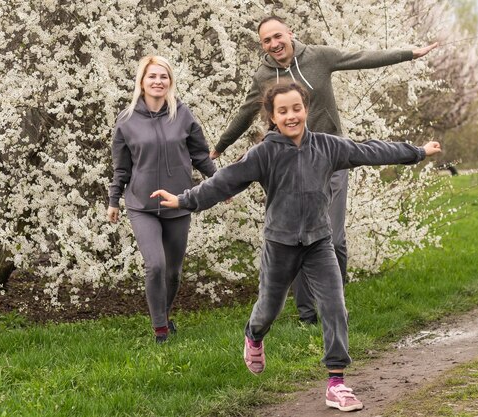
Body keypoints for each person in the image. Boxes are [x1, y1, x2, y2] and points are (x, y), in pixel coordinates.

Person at [152, 83, 441, 411]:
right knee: (268, 310)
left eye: (296, 109)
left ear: (306, 109)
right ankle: (254, 335)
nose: (291, 116)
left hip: (319, 242)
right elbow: (224, 181)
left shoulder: (328, 147)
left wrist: (417, 152)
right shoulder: (265, 153)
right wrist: (183, 200)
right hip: (280, 245)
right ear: (273, 117)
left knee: (334, 307)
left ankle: (336, 382)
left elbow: (371, 151)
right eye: (283, 111)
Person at [210, 15, 439, 324]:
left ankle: (334, 303)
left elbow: (362, 58)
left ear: (289, 34)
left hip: (329, 157)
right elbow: (247, 111)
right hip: (287, 165)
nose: (274, 44)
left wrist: (408, 53)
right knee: (299, 239)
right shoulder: (264, 75)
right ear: (262, 45)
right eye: (267, 40)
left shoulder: (319, 56)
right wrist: (220, 146)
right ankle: (307, 315)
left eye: (278, 36)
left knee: (334, 239)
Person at [107, 55, 216, 344]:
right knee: (155, 265)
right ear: (142, 82)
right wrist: (114, 200)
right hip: (141, 205)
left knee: (174, 273)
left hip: (178, 202)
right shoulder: (127, 120)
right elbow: (121, 167)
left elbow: (200, 155)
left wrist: (220, 185)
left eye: (163, 77)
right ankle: (160, 330)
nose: (158, 82)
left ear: (170, 81)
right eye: (152, 76)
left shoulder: (182, 114)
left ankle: (164, 315)